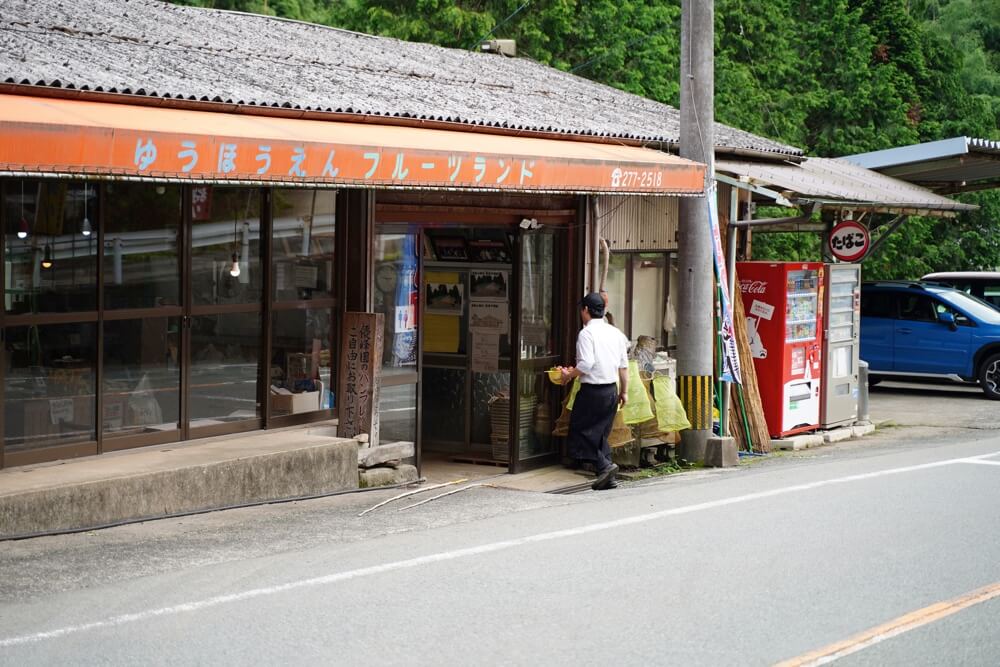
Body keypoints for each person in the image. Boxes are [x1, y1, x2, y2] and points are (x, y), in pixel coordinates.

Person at [559, 292, 629, 490]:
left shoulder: (586, 334)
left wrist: (568, 375)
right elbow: (624, 366)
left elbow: (586, 364)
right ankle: (608, 477)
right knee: (600, 434)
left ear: (586, 310)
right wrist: (624, 392)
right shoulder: (615, 333)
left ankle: (605, 466)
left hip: (592, 391)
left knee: (581, 432)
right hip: (611, 391)